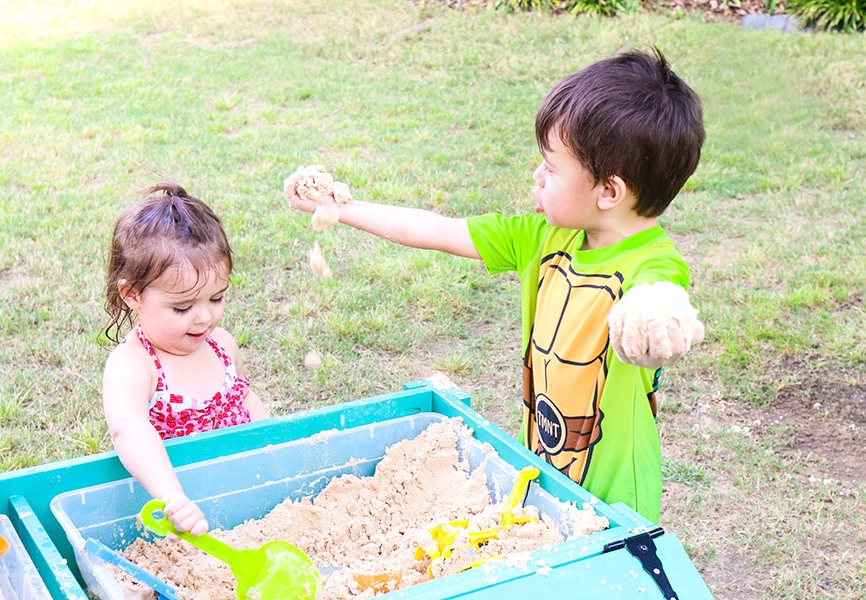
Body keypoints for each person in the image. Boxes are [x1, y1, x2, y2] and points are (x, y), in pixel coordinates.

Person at [286, 47, 705, 523]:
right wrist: (341, 208)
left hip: (616, 496)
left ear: (609, 191)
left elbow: (660, 306)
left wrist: (657, 324)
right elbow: (437, 231)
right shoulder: (542, 238)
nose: (537, 175)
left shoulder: (653, 265)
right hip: (549, 468)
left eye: (552, 167)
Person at [101, 182, 269, 535]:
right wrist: (171, 497)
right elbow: (128, 429)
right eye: (182, 307)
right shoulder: (135, 364)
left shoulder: (222, 345)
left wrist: (272, 445)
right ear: (132, 294)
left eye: (217, 298)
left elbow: (245, 398)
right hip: (176, 513)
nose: (204, 318)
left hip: (241, 500)